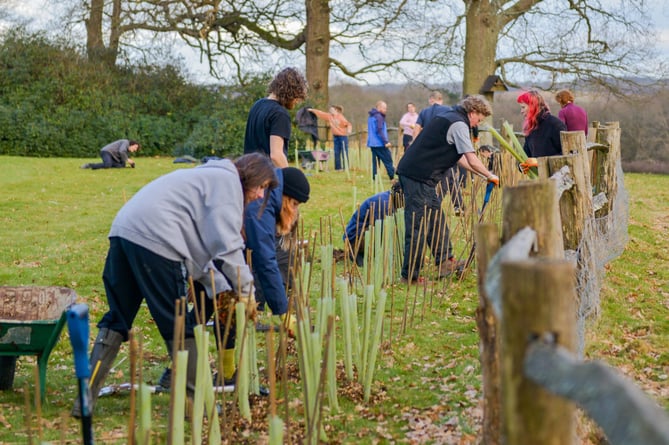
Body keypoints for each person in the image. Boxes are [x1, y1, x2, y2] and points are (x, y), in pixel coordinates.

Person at [72, 153, 278, 417]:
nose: (261, 195)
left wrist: (219, 288)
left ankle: (84, 398)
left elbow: (197, 250)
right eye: (261, 187)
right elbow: (228, 246)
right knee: (180, 325)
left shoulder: (208, 177)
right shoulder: (228, 183)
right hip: (156, 240)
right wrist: (247, 292)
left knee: (117, 319)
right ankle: (196, 405)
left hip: (125, 231)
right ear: (250, 174)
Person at [396, 95, 499, 284]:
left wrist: (484, 175)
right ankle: (410, 276)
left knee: (436, 219)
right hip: (417, 176)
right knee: (419, 225)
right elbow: (472, 158)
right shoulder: (458, 124)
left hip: (421, 177)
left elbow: (460, 158)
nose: (478, 122)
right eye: (480, 118)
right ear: (473, 111)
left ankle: (444, 261)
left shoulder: (450, 117)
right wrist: (490, 175)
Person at [244, 67, 309, 167]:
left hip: (249, 172)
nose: (297, 101)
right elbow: (276, 156)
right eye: (297, 97)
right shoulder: (280, 114)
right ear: (291, 92)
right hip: (268, 176)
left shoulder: (257, 105)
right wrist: (288, 178)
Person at [343, 182, 403, 266]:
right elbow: (385, 231)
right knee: (385, 230)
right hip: (356, 237)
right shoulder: (384, 204)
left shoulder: (391, 199)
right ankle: (357, 253)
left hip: (367, 232)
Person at [517, 90, 567, 167]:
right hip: (538, 177)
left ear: (532, 106)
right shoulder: (531, 128)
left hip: (557, 176)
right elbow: (526, 154)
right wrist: (521, 166)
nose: (521, 111)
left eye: (523, 107)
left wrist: (539, 162)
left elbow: (566, 153)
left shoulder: (555, 124)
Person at [308, 105, 353, 170]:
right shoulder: (329, 116)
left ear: (336, 110)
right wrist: (312, 110)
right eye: (330, 110)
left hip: (342, 137)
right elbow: (321, 113)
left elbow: (349, 124)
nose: (330, 111)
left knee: (344, 152)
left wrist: (349, 130)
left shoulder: (341, 117)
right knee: (336, 152)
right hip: (335, 137)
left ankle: (346, 167)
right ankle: (338, 168)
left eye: (332, 110)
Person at [367, 100, 395, 180]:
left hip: (372, 143)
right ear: (379, 107)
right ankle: (392, 178)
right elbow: (379, 130)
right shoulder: (379, 116)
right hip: (379, 143)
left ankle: (374, 178)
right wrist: (385, 141)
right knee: (388, 160)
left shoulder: (371, 116)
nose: (385, 110)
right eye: (384, 108)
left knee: (375, 162)